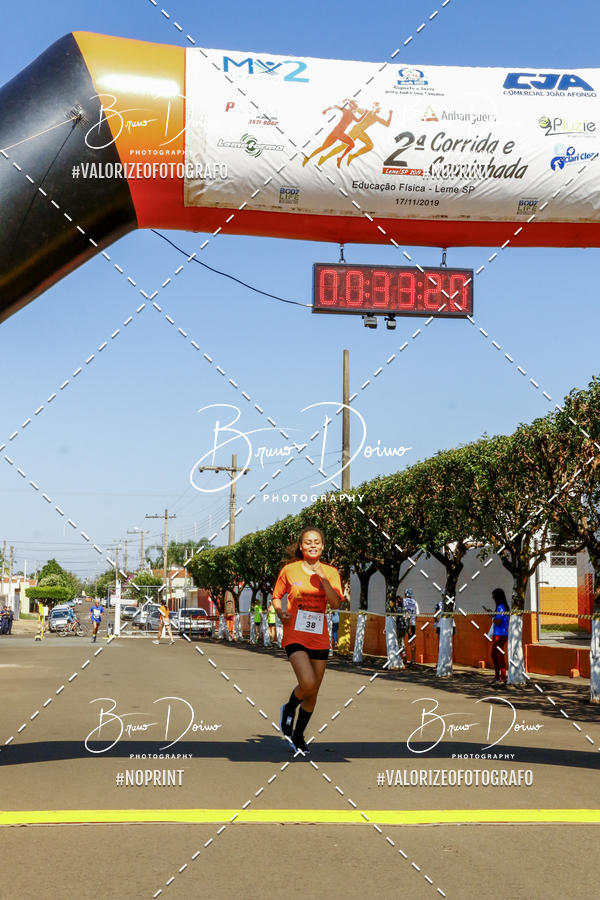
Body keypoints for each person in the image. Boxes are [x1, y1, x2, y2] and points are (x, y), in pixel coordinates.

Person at [273, 527, 344, 757]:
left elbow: (335, 604)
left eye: (317, 542)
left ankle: (299, 735)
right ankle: (290, 708)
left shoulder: (331, 573)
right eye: (308, 542)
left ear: (322, 546)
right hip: (294, 633)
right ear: (301, 546)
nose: (312, 545)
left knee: (313, 693)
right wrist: (279, 611)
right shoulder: (289, 570)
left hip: (319, 637)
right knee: (307, 682)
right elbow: (276, 596)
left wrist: (323, 579)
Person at [302, 99, 366, 168]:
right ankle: (338, 158)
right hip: (339, 133)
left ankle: (308, 158)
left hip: (336, 132)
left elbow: (358, 120)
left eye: (357, 106)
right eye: (356, 106)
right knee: (352, 144)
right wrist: (365, 113)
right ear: (352, 106)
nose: (357, 107)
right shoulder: (347, 111)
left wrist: (326, 110)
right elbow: (336, 106)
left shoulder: (349, 113)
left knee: (323, 147)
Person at [490, 588, 509, 683]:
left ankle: (503, 676)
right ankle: (497, 676)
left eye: (494, 596)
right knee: (494, 655)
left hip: (501, 635)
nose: (493, 598)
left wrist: (492, 617)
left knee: (498, 656)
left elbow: (498, 621)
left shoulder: (501, 607)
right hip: (498, 634)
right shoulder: (502, 607)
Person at [402, 588, 419, 663]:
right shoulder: (415, 602)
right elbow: (417, 615)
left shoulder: (403, 601)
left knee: (401, 641)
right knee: (412, 641)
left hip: (403, 623)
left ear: (405, 594)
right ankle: (413, 659)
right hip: (412, 624)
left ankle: (404, 657)